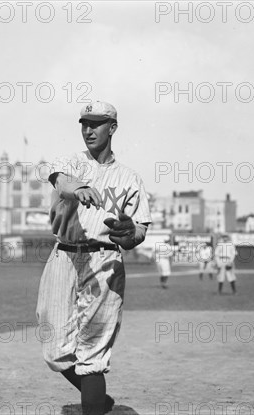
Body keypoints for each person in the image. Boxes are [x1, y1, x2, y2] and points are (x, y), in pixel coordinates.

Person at [36, 102, 152, 414]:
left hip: (105, 261)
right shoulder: (70, 161)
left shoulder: (130, 178)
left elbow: (138, 231)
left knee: (92, 351)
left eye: (97, 123)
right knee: (54, 350)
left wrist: (131, 234)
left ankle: (93, 401)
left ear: (112, 128)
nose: (88, 129)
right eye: (84, 123)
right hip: (63, 257)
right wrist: (79, 188)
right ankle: (99, 401)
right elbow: (59, 179)